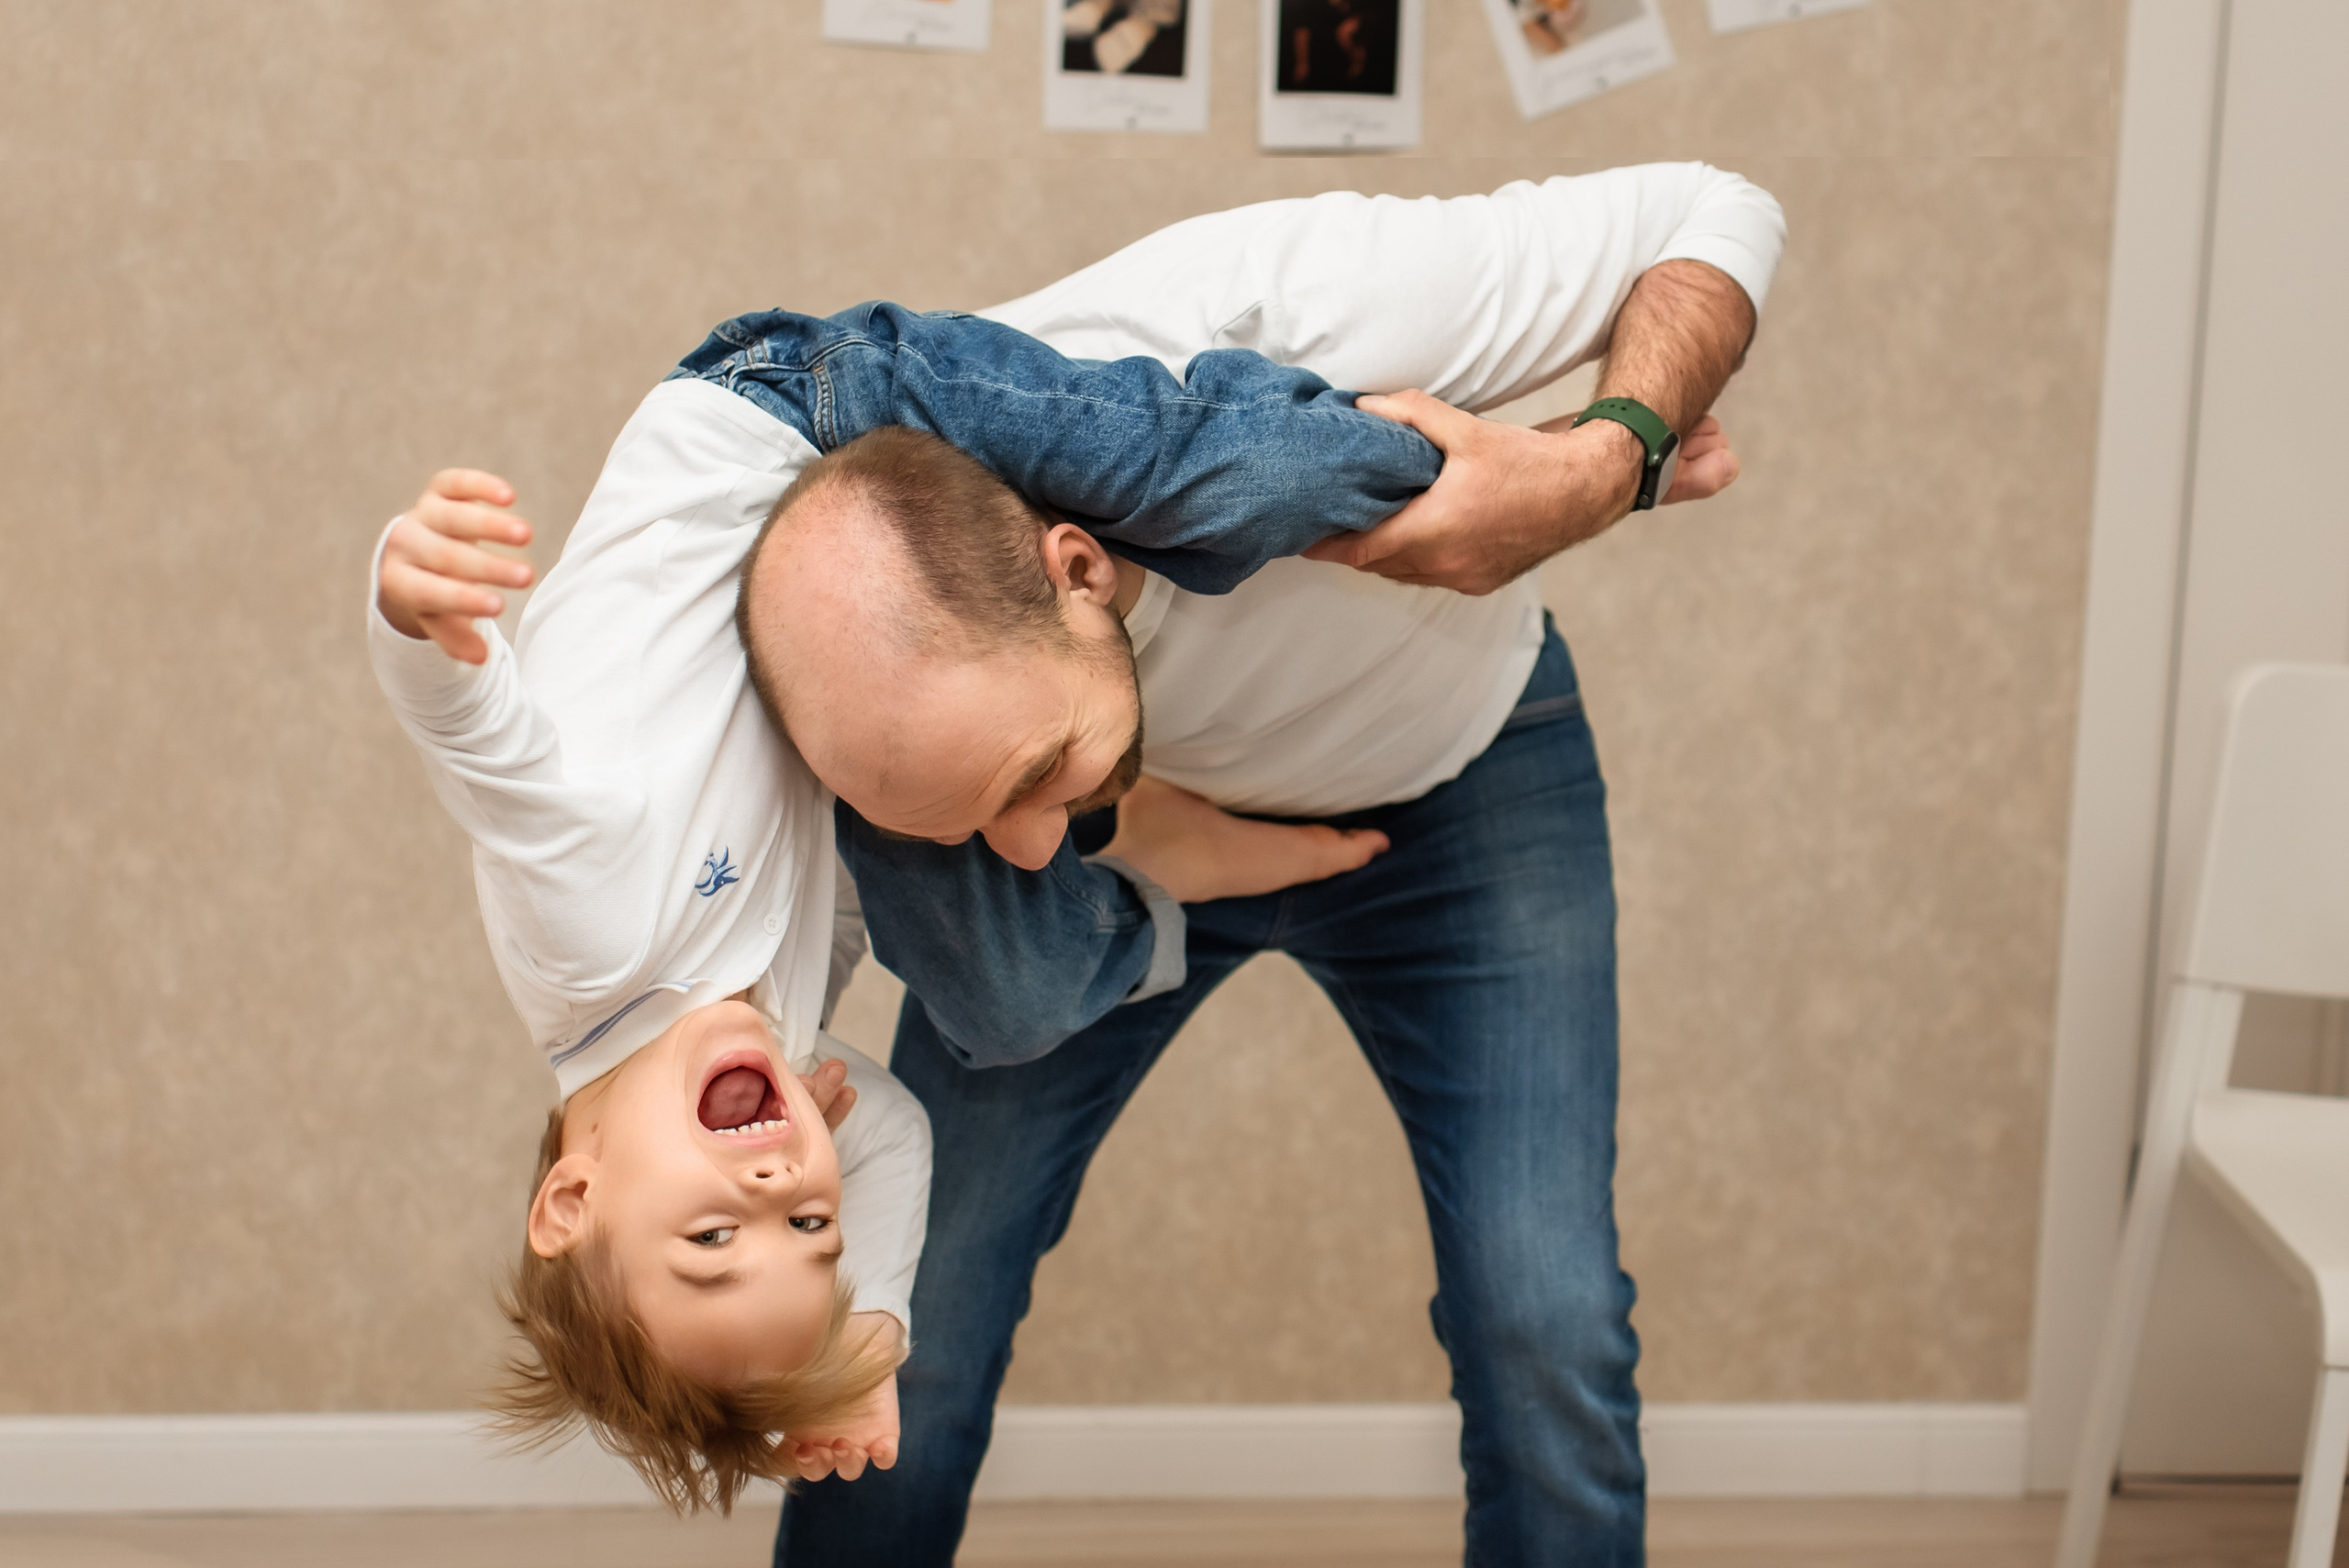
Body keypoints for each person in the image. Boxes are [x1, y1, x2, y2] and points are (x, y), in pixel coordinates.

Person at [757, 164, 1784, 1566]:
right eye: (976, 814)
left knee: (1544, 1321)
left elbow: (1716, 212)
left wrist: (1603, 463)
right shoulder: (872, 639)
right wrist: (1116, 828)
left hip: (1469, 783)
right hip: (1154, 841)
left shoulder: (1280, 308)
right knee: (911, 1319)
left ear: (1075, 567)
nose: (1024, 844)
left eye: (1026, 776)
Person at [368, 308, 1453, 1507]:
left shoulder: (593, 930)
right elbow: (892, 1133)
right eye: (811, 1230)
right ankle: (1139, 840)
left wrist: (413, 614)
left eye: (714, 1241)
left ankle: (1550, 463)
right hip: (839, 656)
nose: (778, 1192)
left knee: (1239, 482)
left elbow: (484, 754)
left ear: (573, 1198)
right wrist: (873, 1331)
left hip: (787, 419)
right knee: (1011, 1003)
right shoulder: (771, 1071)